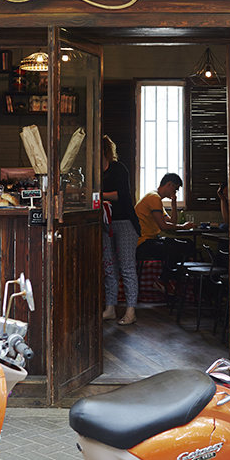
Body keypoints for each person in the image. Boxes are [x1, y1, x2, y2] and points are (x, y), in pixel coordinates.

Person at [100, 136, 141, 326]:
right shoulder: (94, 172)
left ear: (104, 150)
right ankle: (110, 308)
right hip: (105, 223)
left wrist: (98, 196)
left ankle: (131, 311)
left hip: (125, 222)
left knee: (127, 267)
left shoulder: (119, 169)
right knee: (109, 267)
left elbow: (122, 195)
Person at [135, 172, 195, 285]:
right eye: (175, 188)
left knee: (188, 244)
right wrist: (183, 226)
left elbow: (172, 222)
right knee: (180, 247)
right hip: (142, 243)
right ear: (169, 184)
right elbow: (163, 226)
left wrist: (174, 203)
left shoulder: (156, 199)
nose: (175, 192)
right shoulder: (153, 198)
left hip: (150, 240)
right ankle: (164, 280)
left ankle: (168, 280)